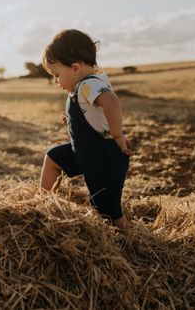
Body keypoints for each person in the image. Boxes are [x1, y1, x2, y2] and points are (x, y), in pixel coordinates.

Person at [39, 29, 132, 228]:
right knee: (53, 158)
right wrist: (72, 117)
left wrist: (117, 135)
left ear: (75, 68)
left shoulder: (88, 85)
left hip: (103, 157)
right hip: (83, 151)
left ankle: (131, 238)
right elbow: (91, 114)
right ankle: (44, 204)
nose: (56, 82)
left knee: (107, 209)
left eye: (56, 75)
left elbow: (112, 102)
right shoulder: (82, 88)